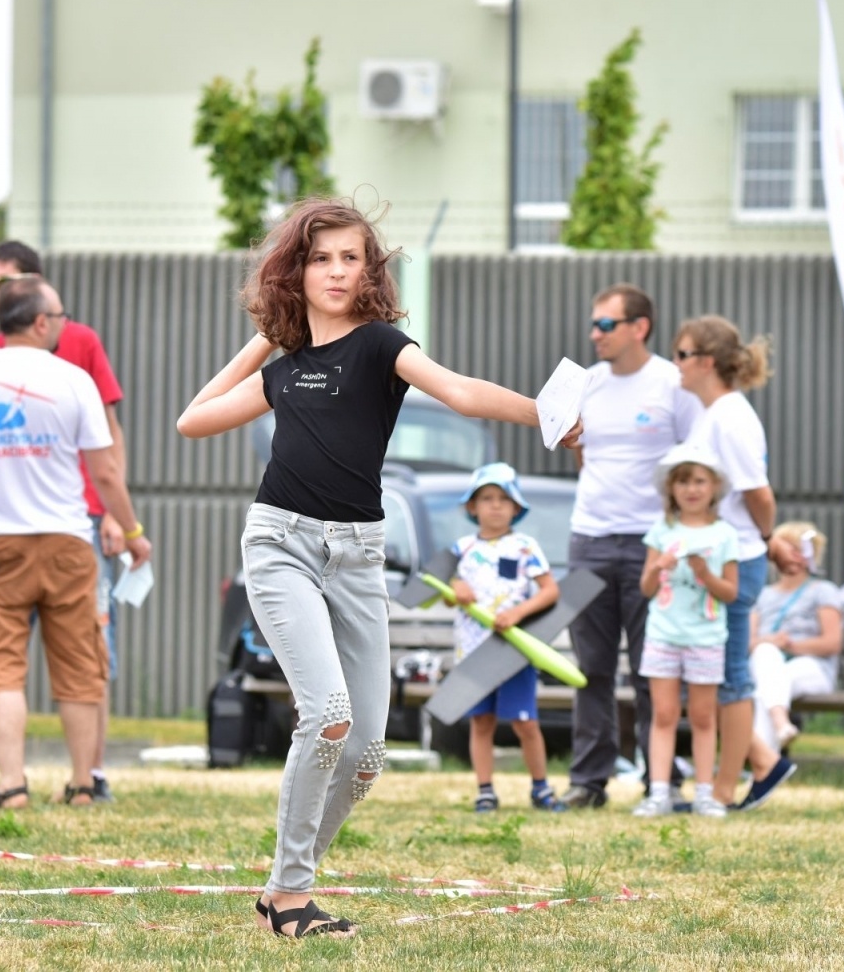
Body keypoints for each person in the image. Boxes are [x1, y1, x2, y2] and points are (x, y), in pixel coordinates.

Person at [175, 198, 581, 941]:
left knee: (365, 756)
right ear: (295, 272)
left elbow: (460, 392)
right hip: (281, 546)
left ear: (369, 272)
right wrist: (264, 341)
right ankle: (294, 898)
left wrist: (548, 417)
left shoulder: (381, 345)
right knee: (327, 717)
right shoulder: (284, 370)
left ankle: (280, 887)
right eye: (320, 257)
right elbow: (192, 419)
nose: (335, 270)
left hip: (358, 554)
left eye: (350, 257)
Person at [0, 278, 152, 810]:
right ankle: (82, 786)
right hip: (67, 543)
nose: (62, 323)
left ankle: (11, 786)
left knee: (1, 669)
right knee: (81, 667)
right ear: (39, 322)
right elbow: (104, 472)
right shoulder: (74, 380)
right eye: (58, 315)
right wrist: (132, 534)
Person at [0, 240, 130, 802]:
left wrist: (114, 515)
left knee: (89, 650)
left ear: (32, 286)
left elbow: (109, 435)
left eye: (4, 281)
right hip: (12, 529)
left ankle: (89, 775)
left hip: (81, 520)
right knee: (11, 658)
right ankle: (28, 779)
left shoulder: (80, 341)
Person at [562, 283, 700, 810]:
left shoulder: (671, 383)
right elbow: (583, 457)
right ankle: (588, 782)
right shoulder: (587, 384)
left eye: (606, 325)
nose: (594, 334)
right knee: (590, 667)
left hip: (653, 545)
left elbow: (693, 465)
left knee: (654, 668)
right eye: (594, 323)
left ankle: (659, 781)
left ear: (639, 327)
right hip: (590, 539)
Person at [671, 315, 798, 811]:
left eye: (681, 355)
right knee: (720, 671)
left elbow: (758, 493)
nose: (675, 364)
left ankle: (726, 789)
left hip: (736, 559)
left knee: (730, 676)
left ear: (705, 362)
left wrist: (766, 538)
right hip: (732, 554)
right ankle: (764, 764)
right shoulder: (714, 412)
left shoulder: (729, 416)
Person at [447, 462, 566, 814]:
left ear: (517, 507)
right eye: (487, 497)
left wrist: (517, 614)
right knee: (481, 721)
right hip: (473, 652)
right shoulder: (460, 549)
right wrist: (456, 588)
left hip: (515, 651)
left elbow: (549, 591)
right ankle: (485, 790)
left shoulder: (526, 546)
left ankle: (541, 788)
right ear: (472, 506)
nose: (495, 505)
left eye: (504, 498)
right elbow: (441, 590)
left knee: (525, 722)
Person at [631, 443, 738, 818]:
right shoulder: (661, 531)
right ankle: (659, 791)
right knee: (662, 714)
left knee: (704, 717)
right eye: (683, 482)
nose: (691, 489)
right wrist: (657, 566)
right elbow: (645, 589)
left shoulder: (725, 535)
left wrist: (704, 574)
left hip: (706, 638)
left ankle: (705, 793)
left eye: (699, 481)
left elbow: (730, 592)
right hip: (663, 634)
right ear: (671, 489)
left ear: (713, 487)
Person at [747, 521, 843, 764]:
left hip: (812, 667)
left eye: (799, 549)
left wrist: (791, 645)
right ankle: (780, 727)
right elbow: (748, 643)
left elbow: (832, 643)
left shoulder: (823, 591)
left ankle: (764, 765)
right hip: (767, 663)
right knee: (766, 656)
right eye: (786, 548)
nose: (792, 556)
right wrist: (770, 641)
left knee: (766, 688)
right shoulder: (763, 594)